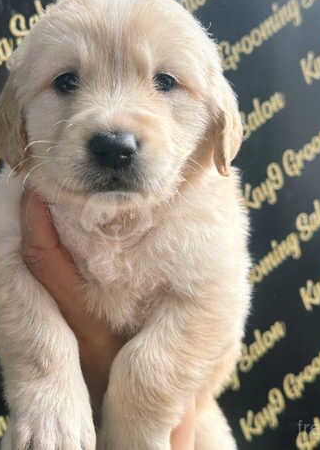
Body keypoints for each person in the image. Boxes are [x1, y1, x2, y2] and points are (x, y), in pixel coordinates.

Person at [20, 189, 196, 449]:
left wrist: (145, 404)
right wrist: (47, 374)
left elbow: (218, 294)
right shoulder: (31, 184)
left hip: (183, 423)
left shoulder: (203, 201)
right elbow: (0, 259)